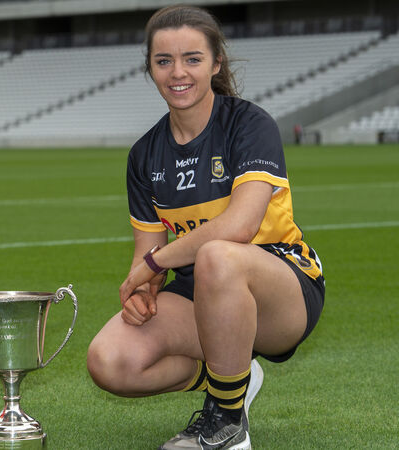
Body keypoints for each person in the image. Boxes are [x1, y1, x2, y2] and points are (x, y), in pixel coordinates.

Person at [86, 6, 324, 450]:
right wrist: (145, 286)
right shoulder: (144, 155)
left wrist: (156, 262)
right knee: (110, 361)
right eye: (164, 61)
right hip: (204, 296)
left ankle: (227, 426)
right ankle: (233, 378)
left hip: (284, 288)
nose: (178, 72)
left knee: (219, 253)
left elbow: (240, 224)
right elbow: (146, 253)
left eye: (192, 59)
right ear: (150, 68)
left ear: (216, 64)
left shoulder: (249, 125)